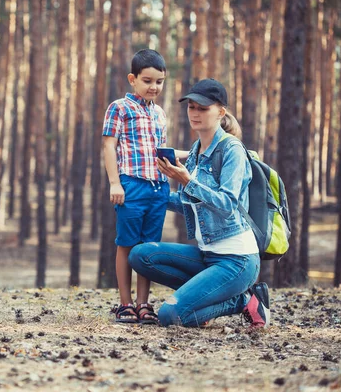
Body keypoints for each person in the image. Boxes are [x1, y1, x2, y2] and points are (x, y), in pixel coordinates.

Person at [128, 78, 271, 328]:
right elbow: (187, 202)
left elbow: (227, 203)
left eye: (203, 108)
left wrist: (187, 180)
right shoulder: (197, 149)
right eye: (191, 107)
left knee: (170, 316)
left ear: (221, 112)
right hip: (207, 256)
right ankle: (202, 297)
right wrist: (149, 196)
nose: (195, 113)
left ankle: (243, 300)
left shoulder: (232, 151)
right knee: (141, 255)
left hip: (236, 260)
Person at [102, 49, 170, 324]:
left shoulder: (161, 114)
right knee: (127, 244)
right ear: (133, 79)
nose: (153, 87)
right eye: (147, 80)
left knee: (148, 247)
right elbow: (109, 145)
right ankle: (125, 303)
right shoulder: (119, 107)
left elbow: (160, 151)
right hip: (131, 185)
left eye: (159, 81)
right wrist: (115, 183)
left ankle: (143, 303)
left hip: (158, 187)